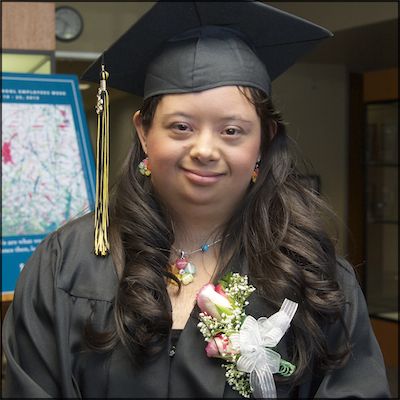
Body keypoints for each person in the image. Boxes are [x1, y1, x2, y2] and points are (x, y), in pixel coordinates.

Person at [2, 1, 391, 398]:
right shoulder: (67, 263)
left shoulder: (311, 273)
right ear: (143, 131)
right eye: (181, 126)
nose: (205, 149)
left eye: (232, 131)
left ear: (264, 140)